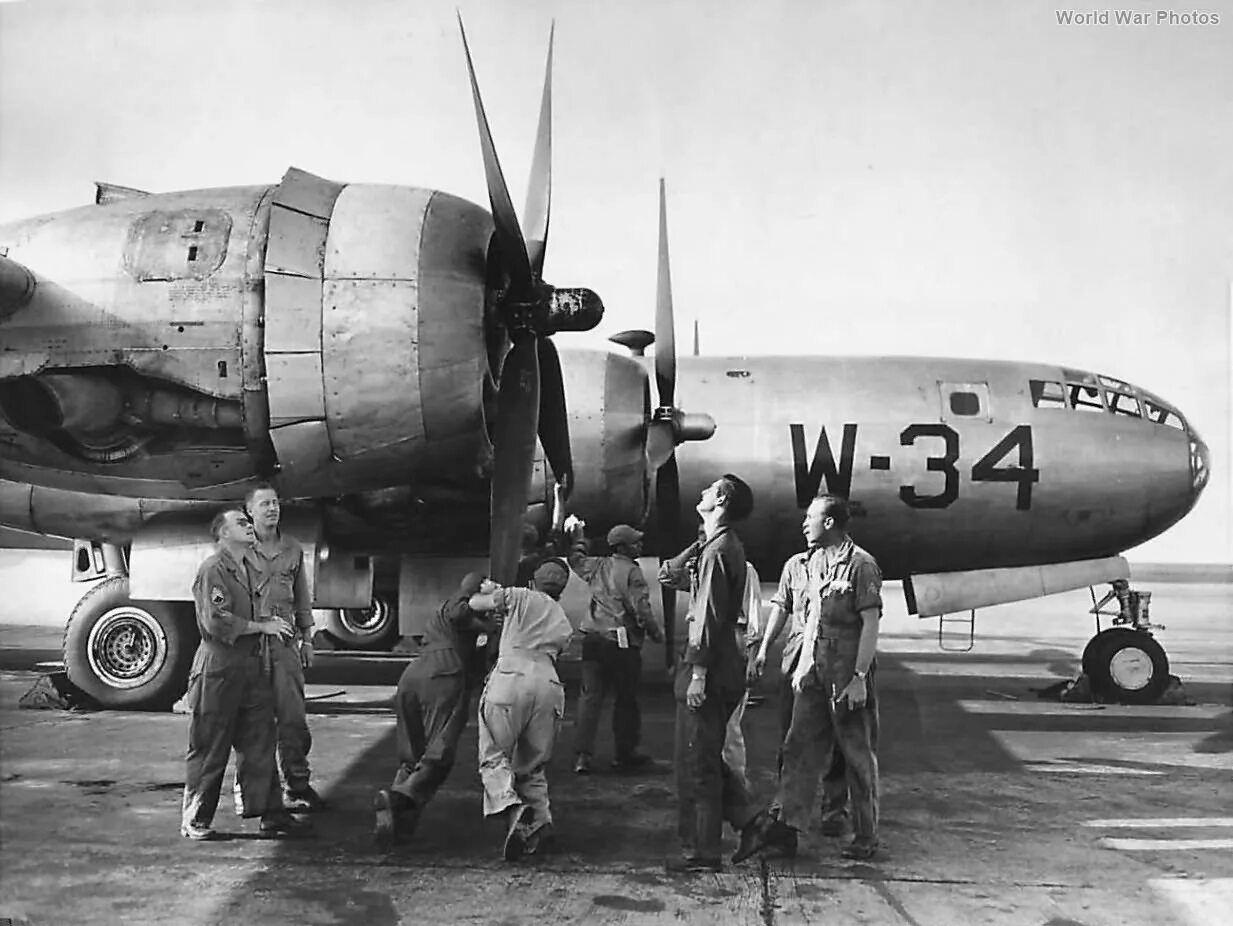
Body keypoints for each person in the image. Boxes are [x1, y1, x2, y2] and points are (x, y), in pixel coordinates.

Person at [739, 494, 883, 863]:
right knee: (797, 748)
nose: (805, 524)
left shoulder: (861, 565)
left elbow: (870, 624)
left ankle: (866, 834)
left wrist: (859, 678)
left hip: (846, 671)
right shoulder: (811, 563)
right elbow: (810, 618)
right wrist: (802, 667)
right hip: (813, 671)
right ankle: (787, 828)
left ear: (830, 522)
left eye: (811, 518)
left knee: (855, 754)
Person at [181, 508, 312, 840]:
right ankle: (195, 818)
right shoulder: (214, 569)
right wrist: (261, 626)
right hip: (218, 670)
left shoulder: (251, 568)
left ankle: (270, 812)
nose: (248, 525)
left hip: (252, 667)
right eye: (240, 522)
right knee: (210, 745)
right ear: (224, 534)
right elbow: (215, 620)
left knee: (260, 741)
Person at [658, 474, 765, 873]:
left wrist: (698, 672)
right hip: (716, 666)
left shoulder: (719, 552)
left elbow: (708, 615)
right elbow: (668, 576)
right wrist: (698, 542)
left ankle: (703, 853)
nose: (701, 493)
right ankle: (753, 820)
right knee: (702, 756)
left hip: (710, 667)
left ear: (720, 499)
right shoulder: (715, 547)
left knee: (697, 766)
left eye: (709, 490)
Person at [372, 571, 498, 851]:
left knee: (411, 757)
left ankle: (398, 824)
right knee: (439, 754)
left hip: (413, 675)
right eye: (491, 584)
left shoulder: (449, 615)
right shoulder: (460, 604)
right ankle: (398, 798)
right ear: (478, 588)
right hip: (444, 675)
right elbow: (460, 610)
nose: (497, 587)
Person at [747, 496, 850, 835]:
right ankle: (784, 806)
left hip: (831, 657)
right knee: (790, 737)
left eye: (810, 518)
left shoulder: (847, 564)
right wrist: (764, 648)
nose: (804, 525)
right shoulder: (795, 565)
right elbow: (781, 605)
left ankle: (834, 808)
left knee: (836, 737)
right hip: (795, 655)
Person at [469, 559, 575, 861]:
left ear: (533, 581)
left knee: (493, 756)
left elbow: (477, 604)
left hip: (510, 679)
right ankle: (540, 825)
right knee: (532, 764)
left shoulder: (518, 596)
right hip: (549, 685)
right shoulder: (562, 618)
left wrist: (486, 593)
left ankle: (511, 806)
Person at [242, 483, 326, 814]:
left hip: (286, 644)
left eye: (275, 503)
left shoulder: (292, 550)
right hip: (251, 645)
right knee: (253, 723)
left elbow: (302, 598)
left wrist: (307, 639)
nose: (272, 509)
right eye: (264, 504)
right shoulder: (240, 550)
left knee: (293, 719)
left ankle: (297, 784)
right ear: (250, 511)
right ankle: (249, 792)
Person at [566, 521, 664, 774]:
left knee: (590, 698)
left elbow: (575, 559)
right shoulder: (633, 572)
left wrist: (579, 538)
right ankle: (625, 752)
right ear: (622, 546)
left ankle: (582, 756)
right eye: (635, 542)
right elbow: (640, 608)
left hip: (592, 640)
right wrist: (655, 633)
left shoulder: (597, 565)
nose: (640, 545)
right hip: (622, 644)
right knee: (626, 699)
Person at [721, 558, 763, 791]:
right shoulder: (701, 566)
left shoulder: (744, 569)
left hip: (734, 643)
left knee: (730, 726)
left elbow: (754, 618)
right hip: (708, 648)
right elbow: (669, 576)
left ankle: (737, 786)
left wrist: (752, 658)